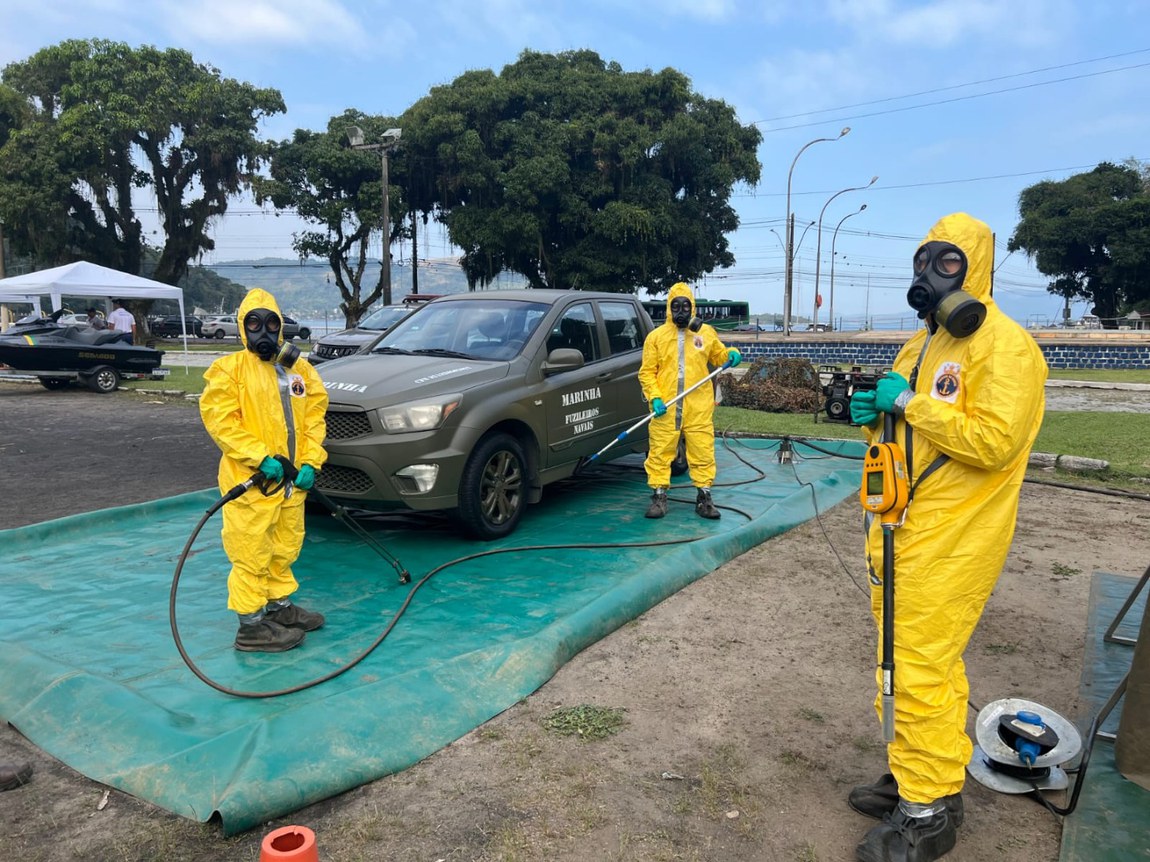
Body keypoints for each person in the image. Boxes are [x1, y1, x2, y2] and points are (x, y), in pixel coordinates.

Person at [847, 213, 1048, 862]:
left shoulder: (1004, 346)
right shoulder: (923, 343)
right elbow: (911, 433)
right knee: (908, 664)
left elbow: (993, 442)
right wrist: (872, 415)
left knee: (920, 666)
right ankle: (922, 774)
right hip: (904, 528)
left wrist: (907, 404)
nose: (930, 275)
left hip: (955, 536)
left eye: (949, 262)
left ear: (976, 267)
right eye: (923, 260)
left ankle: (928, 814)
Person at [199, 288, 329, 653]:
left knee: (284, 546)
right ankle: (251, 627)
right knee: (251, 551)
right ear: (243, 328)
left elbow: (314, 419)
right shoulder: (230, 370)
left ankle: (279, 608)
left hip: (291, 483)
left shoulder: (299, 370)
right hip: (254, 481)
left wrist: (310, 462)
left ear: (280, 327)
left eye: (270, 323)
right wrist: (260, 457)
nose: (263, 332)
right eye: (253, 323)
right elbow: (222, 423)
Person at [638, 281, 741, 520]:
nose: (681, 312)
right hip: (666, 407)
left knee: (702, 451)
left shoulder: (704, 333)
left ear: (693, 308)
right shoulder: (656, 337)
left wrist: (731, 354)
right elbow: (647, 372)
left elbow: (719, 354)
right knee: (660, 452)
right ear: (669, 309)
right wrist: (655, 398)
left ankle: (704, 497)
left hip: (698, 407)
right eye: (676, 307)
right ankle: (659, 496)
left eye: (686, 306)